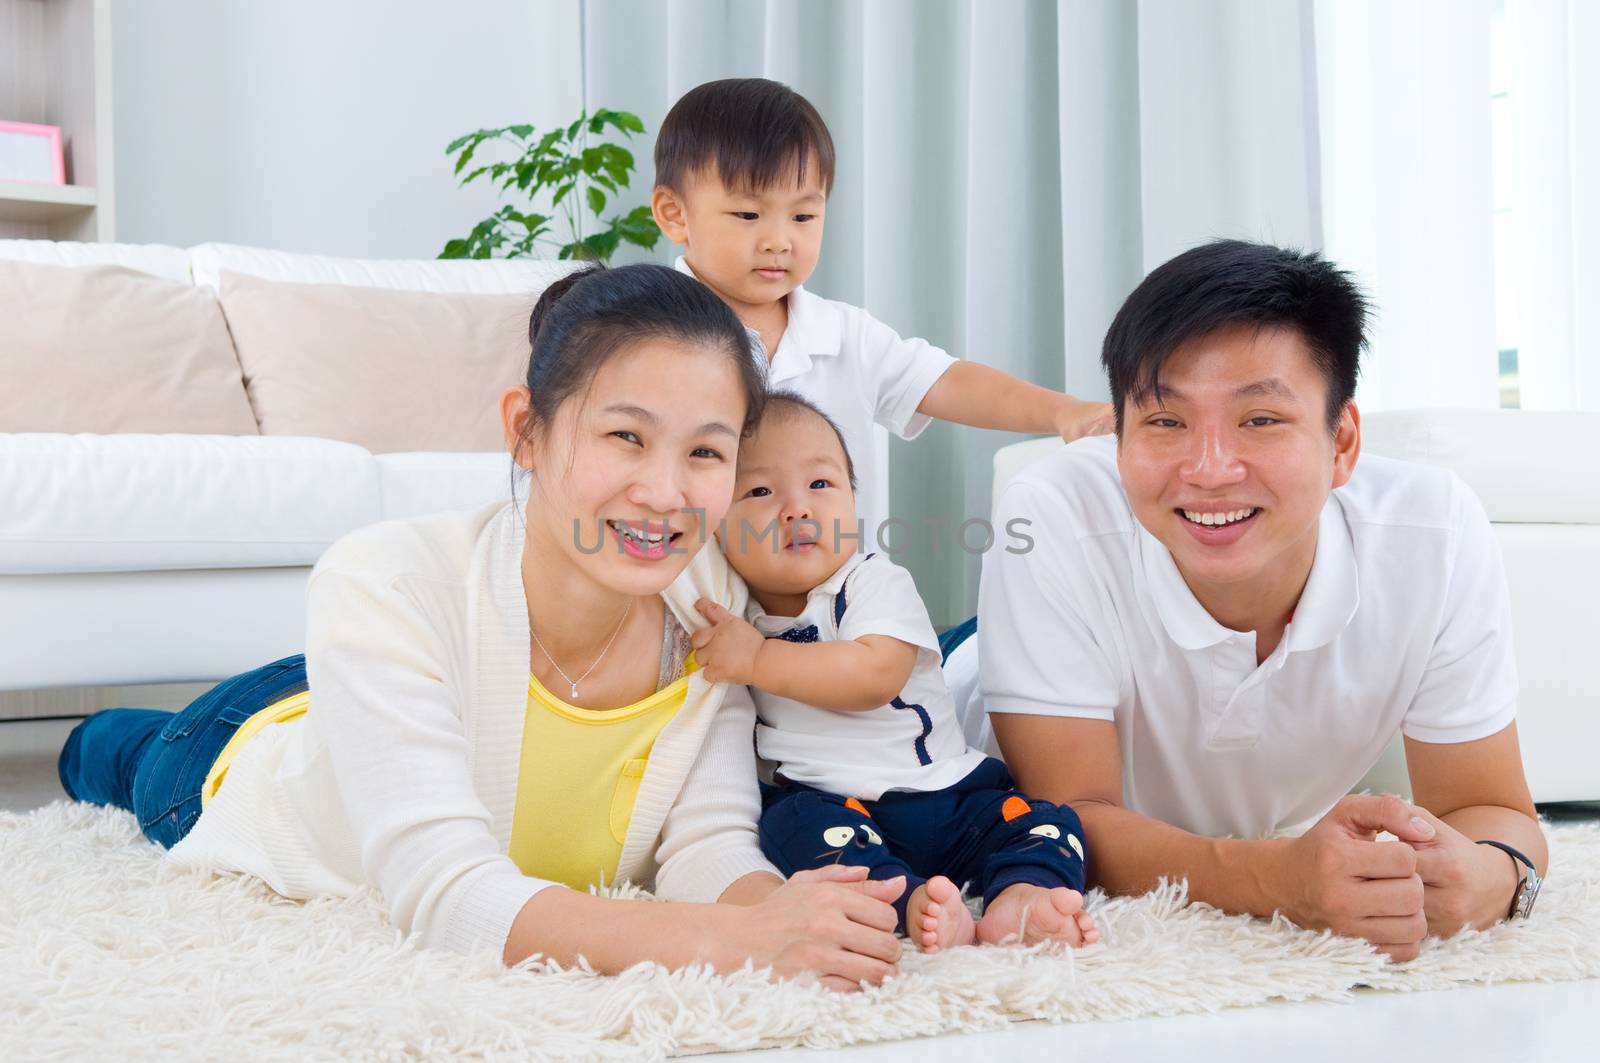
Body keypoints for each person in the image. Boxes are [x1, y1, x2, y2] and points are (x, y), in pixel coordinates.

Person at [57, 264, 906, 991]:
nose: (664, 491)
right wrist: (726, 942)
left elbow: (708, 838)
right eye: (625, 436)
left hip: (396, 676)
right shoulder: (383, 579)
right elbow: (445, 896)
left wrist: (795, 914)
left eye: (707, 453)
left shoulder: (714, 601)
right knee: (121, 754)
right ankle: (101, 733)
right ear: (526, 432)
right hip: (239, 756)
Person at [946, 239, 1548, 962]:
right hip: (966, 701)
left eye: (1259, 419)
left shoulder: (1433, 531)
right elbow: (1068, 817)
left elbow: (1495, 810)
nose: (1208, 470)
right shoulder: (1049, 513)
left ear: (1344, 441)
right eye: (1166, 421)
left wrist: (1494, 875)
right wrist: (1276, 877)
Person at [690, 392, 1098, 954]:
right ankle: (911, 904)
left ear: (855, 502)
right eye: (760, 491)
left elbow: (875, 673)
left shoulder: (870, 582)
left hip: (945, 794)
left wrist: (757, 660)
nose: (796, 508)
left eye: (820, 485)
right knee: (787, 830)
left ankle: (1022, 897)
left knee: (1047, 822)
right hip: (838, 809)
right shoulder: (731, 607)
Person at [649, 77, 1113, 541]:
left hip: (845, 597)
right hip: (700, 594)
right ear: (674, 215)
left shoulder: (845, 335)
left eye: (803, 216)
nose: (779, 241)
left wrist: (1065, 411)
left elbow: (947, 381)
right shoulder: (644, 339)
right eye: (749, 215)